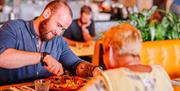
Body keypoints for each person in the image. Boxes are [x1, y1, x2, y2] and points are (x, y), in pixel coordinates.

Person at [0, 0, 101, 85]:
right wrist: (43, 57)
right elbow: (2, 57)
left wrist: (93, 70)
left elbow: (76, 64)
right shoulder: (13, 28)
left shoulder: (58, 42)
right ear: (46, 13)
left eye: (63, 29)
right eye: (58, 25)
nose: (58, 32)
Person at [80, 23, 173, 91]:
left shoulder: (105, 81)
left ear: (110, 52)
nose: (104, 57)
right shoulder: (161, 73)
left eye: (104, 52)